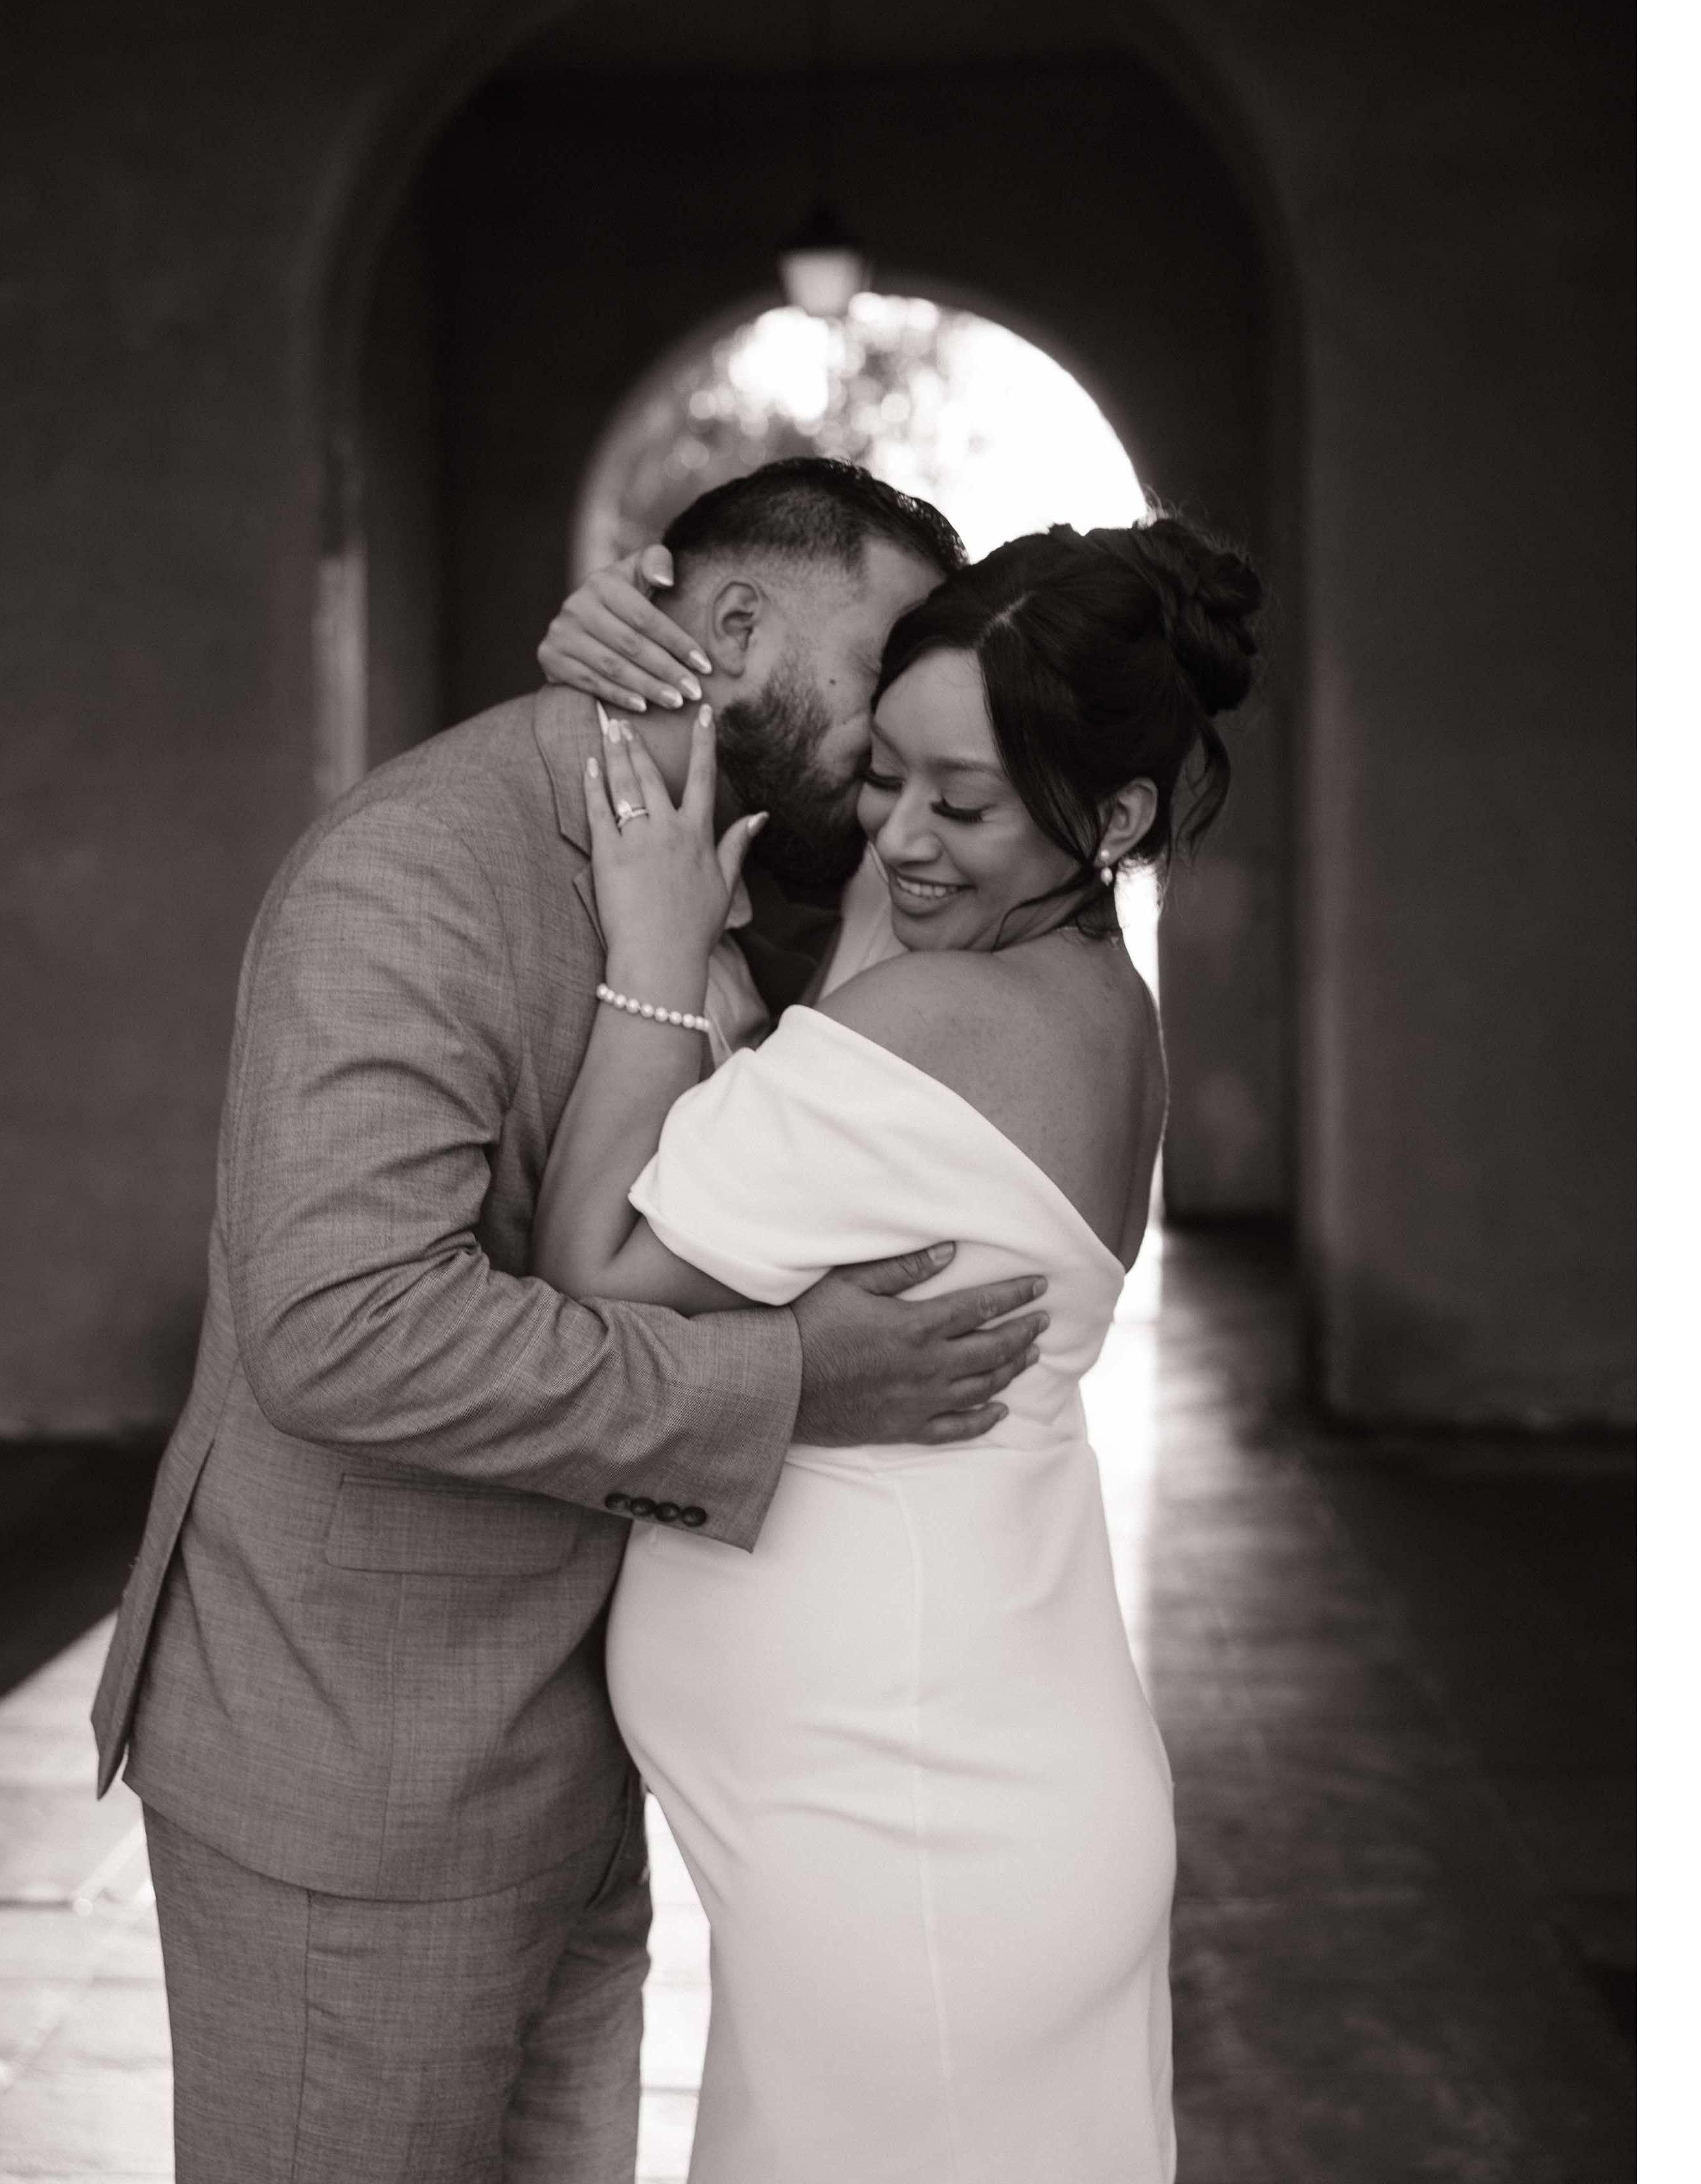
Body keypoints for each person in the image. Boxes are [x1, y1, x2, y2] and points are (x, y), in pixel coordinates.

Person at [89, 458, 1055, 2184]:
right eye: (884, 662)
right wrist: (788, 1383)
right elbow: (343, 1328)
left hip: (572, 1768)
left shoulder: (782, 869)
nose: (906, 721)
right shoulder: (419, 872)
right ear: (734, 626)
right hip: (359, 1779)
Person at [530, 511, 1263, 2182]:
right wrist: (632, 643)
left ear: (1116, 818)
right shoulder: (1079, 989)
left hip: (916, 1848)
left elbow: (591, 1277)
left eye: (964, 803)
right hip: (944, 1823)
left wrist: (654, 957)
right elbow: (870, 765)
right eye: (884, 775)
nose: (903, 836)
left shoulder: (945, 1021)